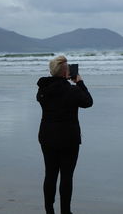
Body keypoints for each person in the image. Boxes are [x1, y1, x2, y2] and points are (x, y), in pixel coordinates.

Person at [36, 55, 93, 214]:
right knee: (66, 176)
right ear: (64, 73)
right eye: (68, 68)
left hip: (47, 136)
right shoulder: (72, 90)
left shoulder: (43, 90)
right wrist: (80, 82)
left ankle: (49, 210)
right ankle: (65, 212)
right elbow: (88, 102)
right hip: (68, 138)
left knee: (50, 174)